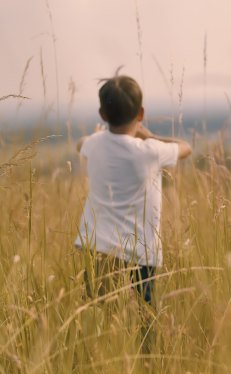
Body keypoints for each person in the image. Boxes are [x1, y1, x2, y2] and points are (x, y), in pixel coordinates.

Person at [75, 72, 192, 306]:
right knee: (144, 318)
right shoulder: (149, 151)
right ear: (140, 113)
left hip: (98, 248)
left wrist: (98, 134)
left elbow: (80, 144)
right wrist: (151, 136)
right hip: (140, 253)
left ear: (102, 115)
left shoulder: (94, 144)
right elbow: (185, 147)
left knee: (101, 315)